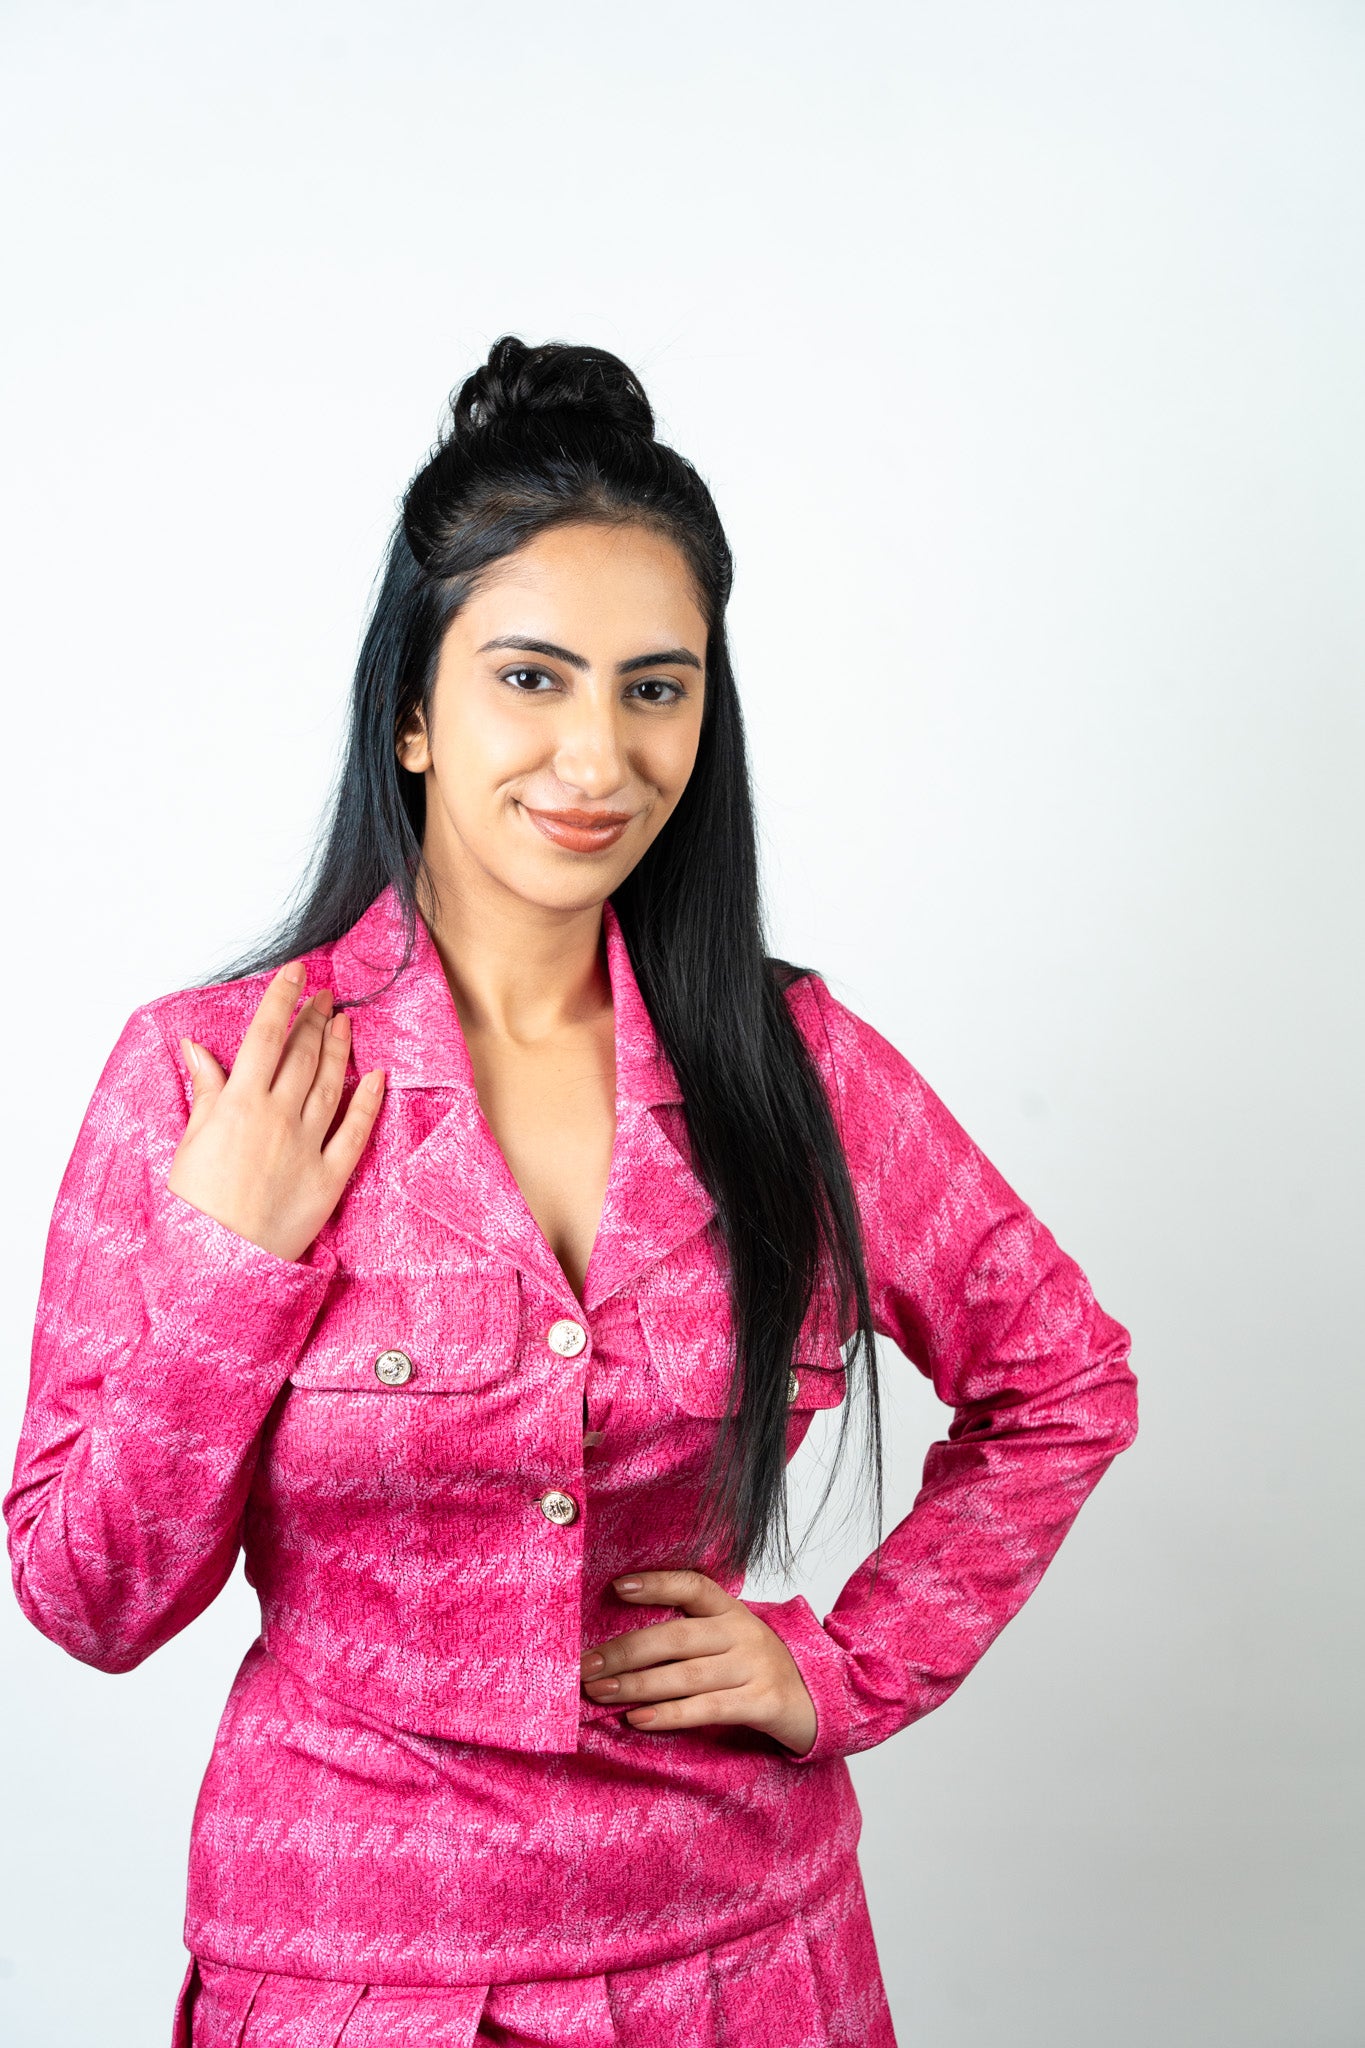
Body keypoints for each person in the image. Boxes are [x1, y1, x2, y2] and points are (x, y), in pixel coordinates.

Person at [5, 336, 1139, 2048]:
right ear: (411, 706)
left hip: (737, 1952)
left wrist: (840, 1671)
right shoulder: (207, 1075)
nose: (597, 756)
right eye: (531, 679)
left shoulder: (792, 1061)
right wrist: (231, 1269)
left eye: (654, 686)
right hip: (349, 1971)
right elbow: (89, 1596)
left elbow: (1062, 1375)